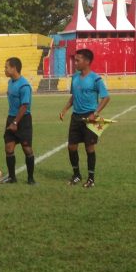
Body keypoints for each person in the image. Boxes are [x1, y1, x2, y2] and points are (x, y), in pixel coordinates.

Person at [58, 48, 110, 187]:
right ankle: (76, 175)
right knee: (72, 147)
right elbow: (74, 96)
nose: (75, 63)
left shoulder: (96, 79)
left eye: (77, 60)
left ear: (87, 61)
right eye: (75, 60)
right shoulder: (74, 77)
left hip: (89, 117)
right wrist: (64, 110)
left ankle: (91, 179)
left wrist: (96, 113)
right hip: (76, 117)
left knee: (89, 148)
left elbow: (106, 97)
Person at [2, 57, 36, 184]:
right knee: (9, 148)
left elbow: (24, 106)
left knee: (27, 149)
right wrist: (12, 120)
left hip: (23, 120)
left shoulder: (24, 85)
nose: (4, 69)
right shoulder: (10, 82)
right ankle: (12, 177)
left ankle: (30, 178)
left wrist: (15, 122)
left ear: (14, 68)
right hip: (11, 118)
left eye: (6, 67)